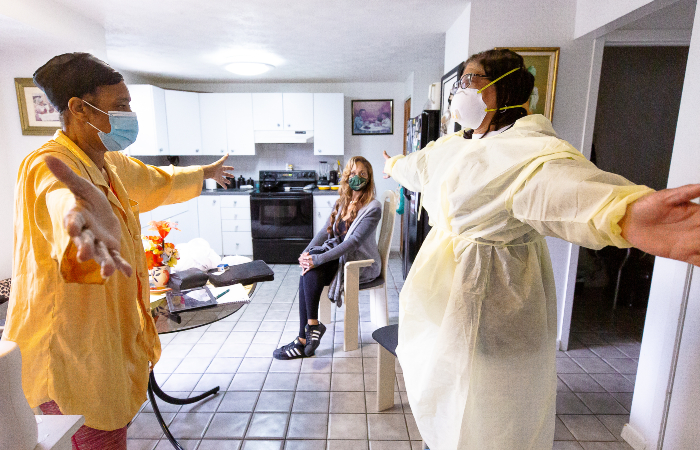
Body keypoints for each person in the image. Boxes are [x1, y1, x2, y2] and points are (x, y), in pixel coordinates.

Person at [382, 48, 700, 450]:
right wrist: (394, 165)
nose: (460, 91)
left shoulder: (528, 152)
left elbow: (566, 192)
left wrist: (627, 213)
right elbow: (419, 167)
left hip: (493, 298)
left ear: (505, 88)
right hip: (443, 298)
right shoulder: (453, 146)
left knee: (487, 412)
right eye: (461, 82)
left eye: (472, 80)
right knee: (446, 397)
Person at [1, 53, 234, 450]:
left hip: (104, 342)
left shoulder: (107, 161)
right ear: (78, 109)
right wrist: (82, 224)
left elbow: (156, 179)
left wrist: (204, 173)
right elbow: (61, 201)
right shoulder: (48, 164)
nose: (129, 115)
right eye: (120, 105)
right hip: (72, 354)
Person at [273, 156, 382, 360]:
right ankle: (308, 332)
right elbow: (326, 231)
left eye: (362, 174)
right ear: (346, 176)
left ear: (369, 179)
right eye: (352, 173)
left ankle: (304, 336)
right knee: (309, 265)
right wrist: (306, 253)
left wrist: (318, 259)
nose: (356, 177)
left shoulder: (373, 207)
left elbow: (353, 243)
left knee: (315, 263)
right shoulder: (342, 201)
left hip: (357, 263)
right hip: (340, 257)